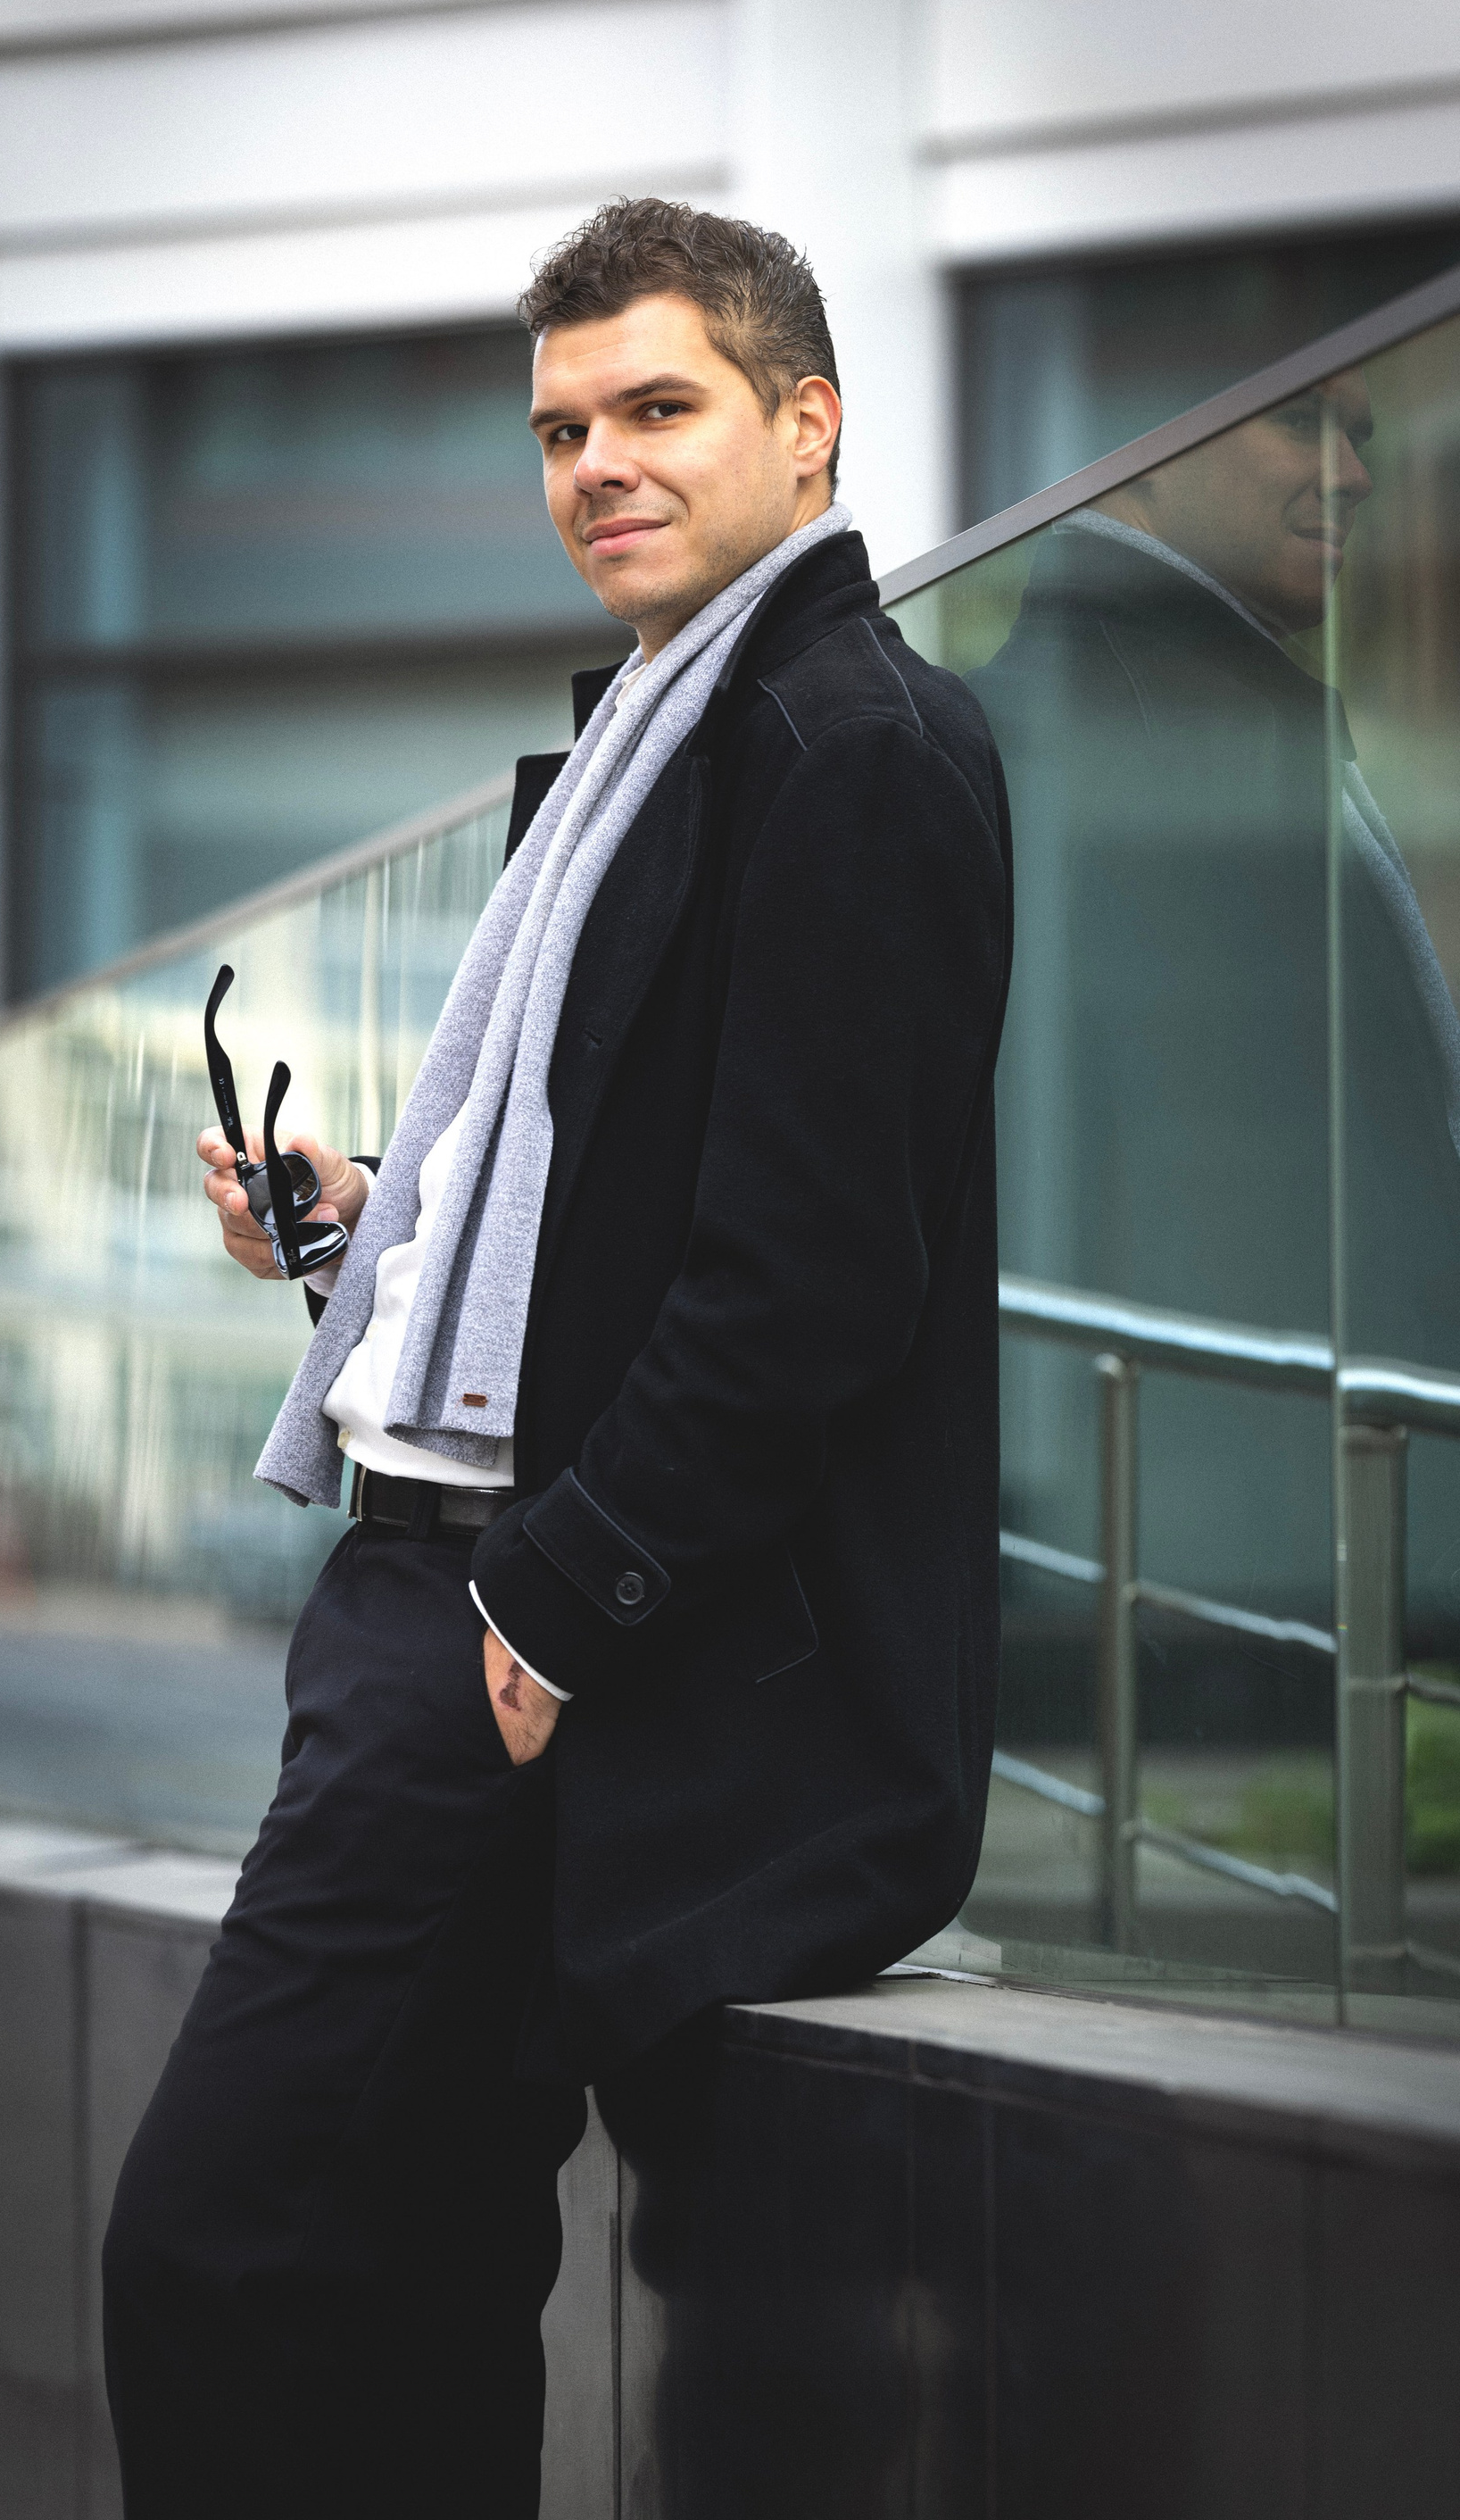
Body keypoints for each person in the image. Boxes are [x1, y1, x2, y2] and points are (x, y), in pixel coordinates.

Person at [102, 196, 1013, 2517]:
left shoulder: (853, 747)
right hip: (454, 1603)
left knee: (226, 2261)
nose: (597, 463)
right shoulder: (651, 746)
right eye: (560, 430)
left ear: (807, 427)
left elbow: (818, 1272)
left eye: (657, 409)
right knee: (402, 2285)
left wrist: (555, 1600)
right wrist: (361, 1241)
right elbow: (607, 1209)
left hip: (530, 1632)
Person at [972, 372, 1460, 1368]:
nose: (1355, 474)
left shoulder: (1210, 714)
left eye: (1359, 435)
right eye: (1299, 421)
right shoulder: (1096, 737)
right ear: (1140, 448)